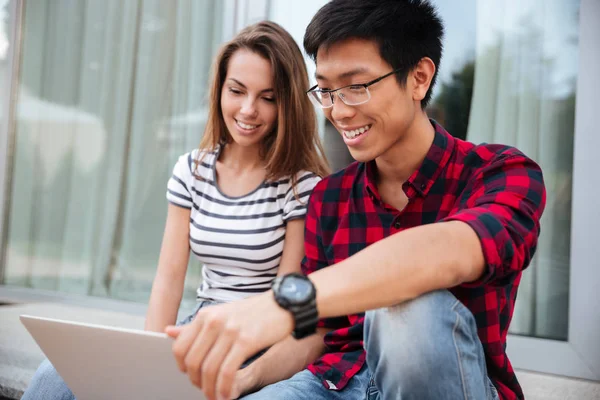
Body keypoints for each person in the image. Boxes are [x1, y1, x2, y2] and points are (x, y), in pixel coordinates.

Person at [168, 1, 547, 400]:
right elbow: (317, 333)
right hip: (334, 383)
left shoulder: (501, 173)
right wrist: (247, 379)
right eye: (327, 91)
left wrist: (280, 304)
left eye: (356, 86)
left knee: (408, 306)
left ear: (418, 78)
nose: (338, 111)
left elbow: (452, 251)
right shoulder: (328, 198)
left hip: (444, 385)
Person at [21, 20, 330, 400]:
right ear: (220, 90)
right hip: (199, 329)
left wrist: (235, 354)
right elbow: (168, 280)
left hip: (258, 341)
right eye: (237, 91)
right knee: (53, 375)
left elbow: (283, 304)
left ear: (286, 103)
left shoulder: (299, 186)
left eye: (267, 97)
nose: (249, 110)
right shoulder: (192, 171)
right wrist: (147, 361)